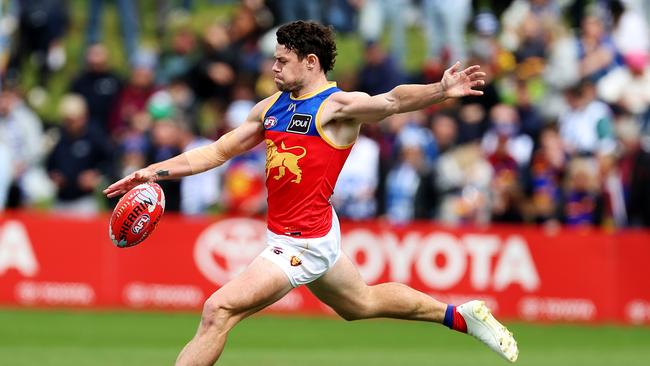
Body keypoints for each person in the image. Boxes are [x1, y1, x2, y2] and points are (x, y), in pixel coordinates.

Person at [104, 21, 518, 365]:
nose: (274, 68)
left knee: (218, 310)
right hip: (314, 232)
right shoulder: (272, 107)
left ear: (311, 61)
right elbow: (217, 151)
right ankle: (460, 316)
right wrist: (151, 173)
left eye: (282, 60)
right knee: (361, 304)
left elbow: (390, 101)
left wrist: (440, 91)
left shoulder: (335, 106)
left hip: (300, 244)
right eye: (274, 59)